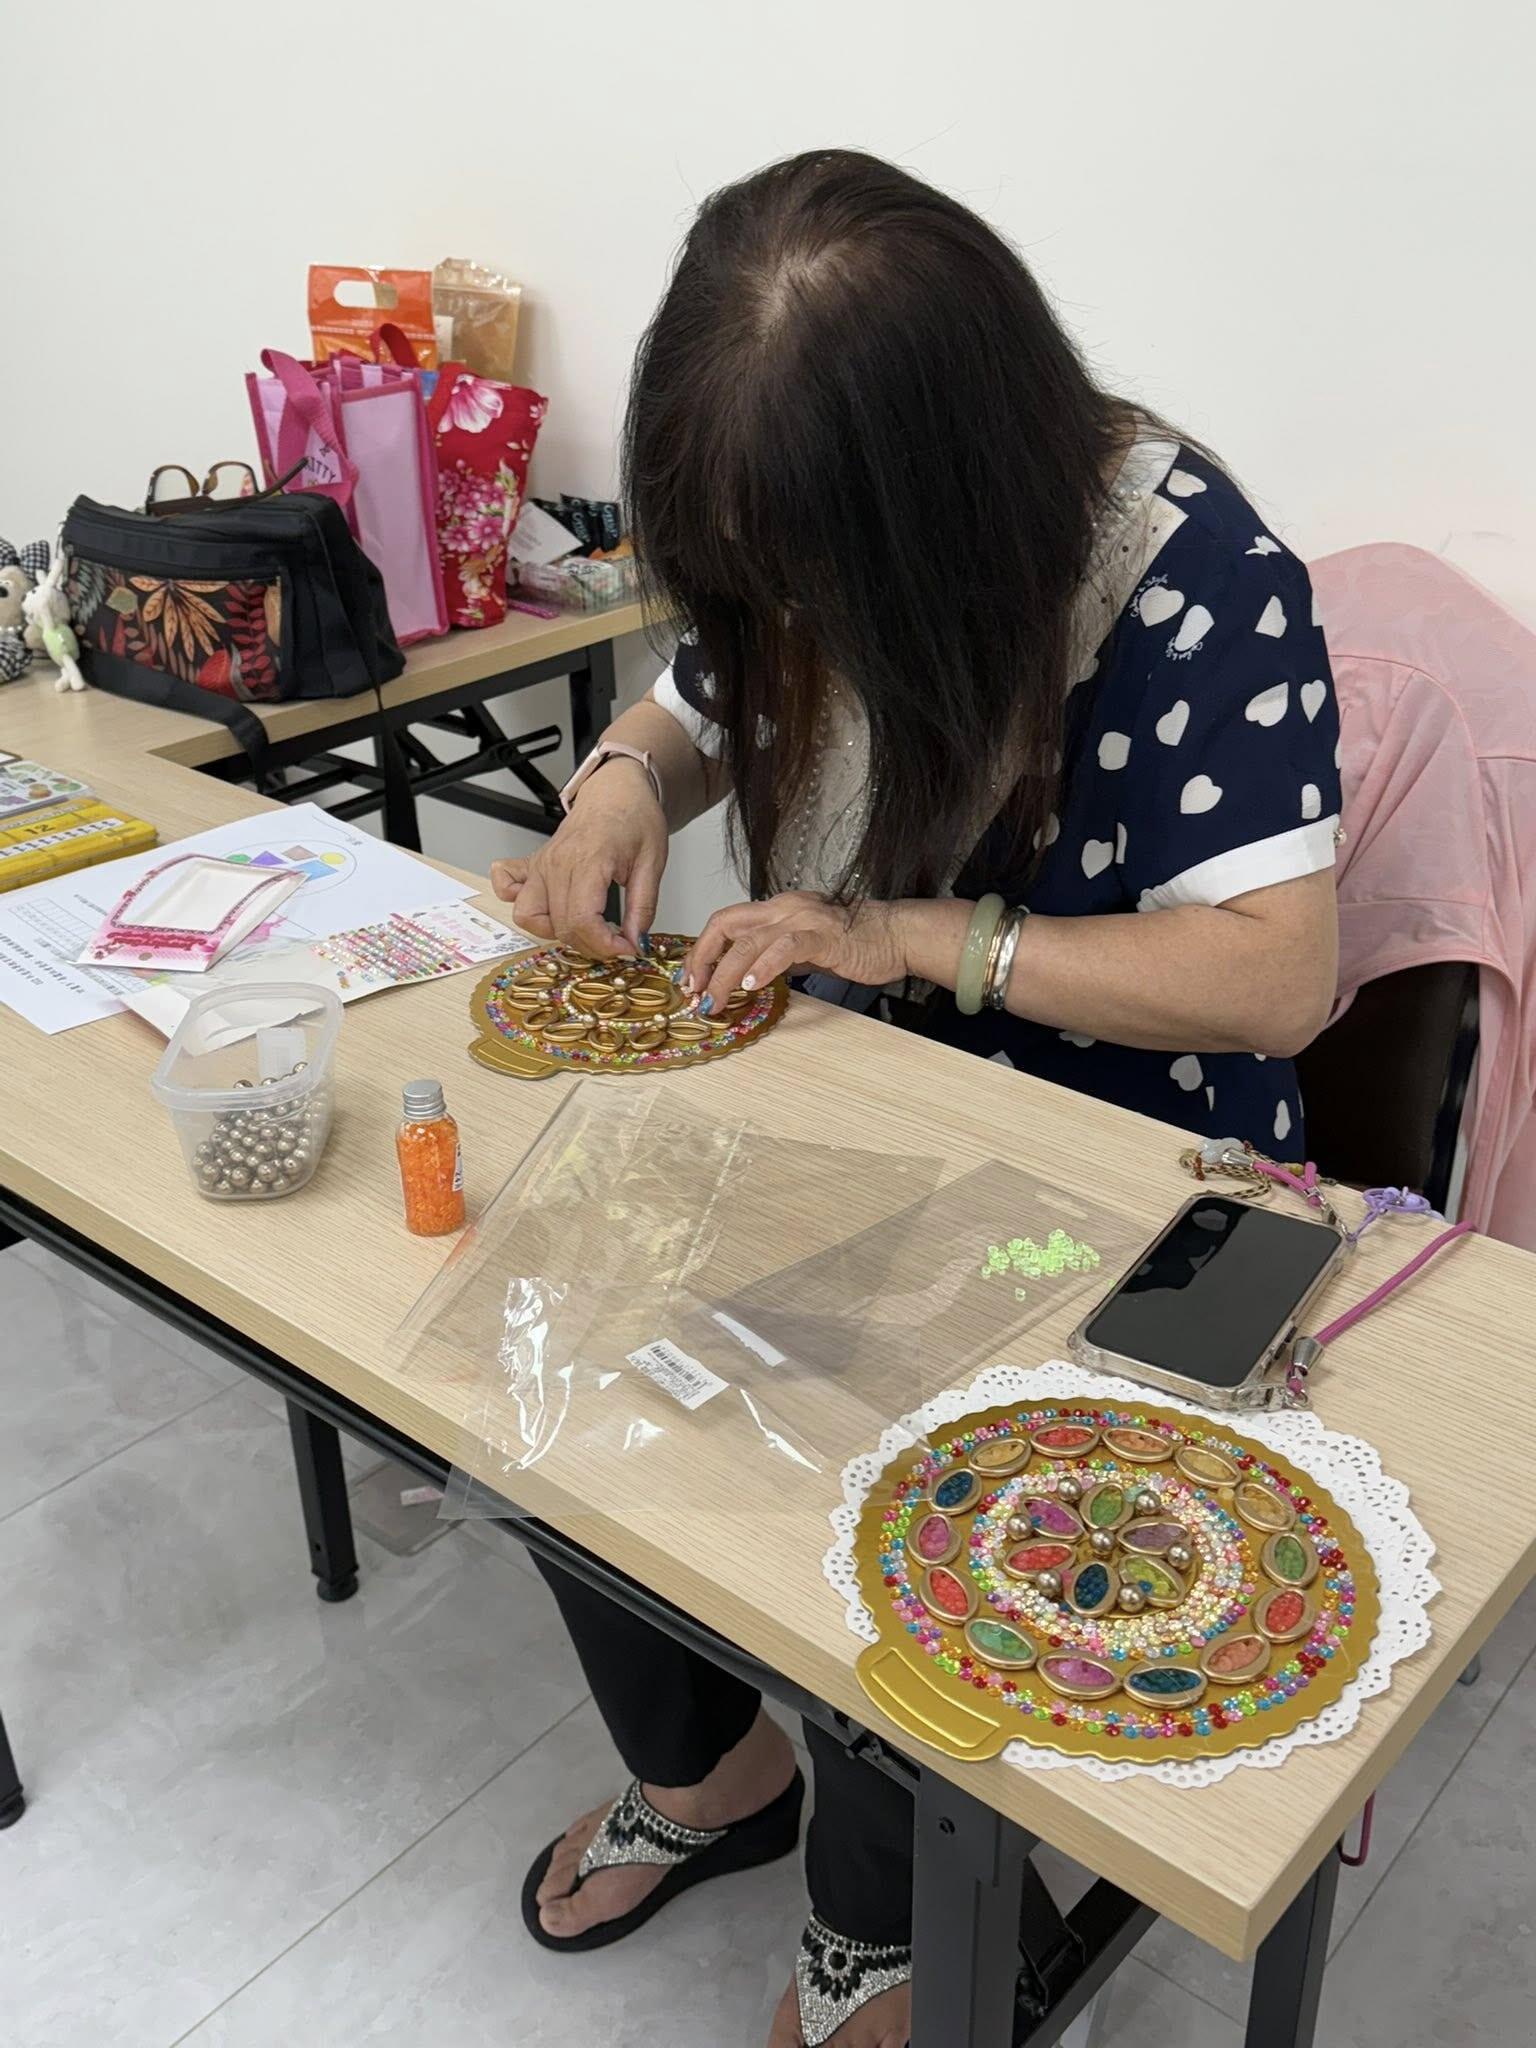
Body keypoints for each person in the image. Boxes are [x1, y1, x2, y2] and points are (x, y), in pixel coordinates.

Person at [492, 149, 1340, 2048]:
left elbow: (1279, 974)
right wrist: (619, 779)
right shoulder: (811, 521)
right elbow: (701, 693)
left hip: (1144, 1175)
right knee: (552, 1326)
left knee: (910, 1483)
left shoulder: (1197, 577)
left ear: (941, 503)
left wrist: (909, 937)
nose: (784, 619)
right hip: (877, 1102)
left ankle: (890, 1917)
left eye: (810, 580)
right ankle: (715, 1775)